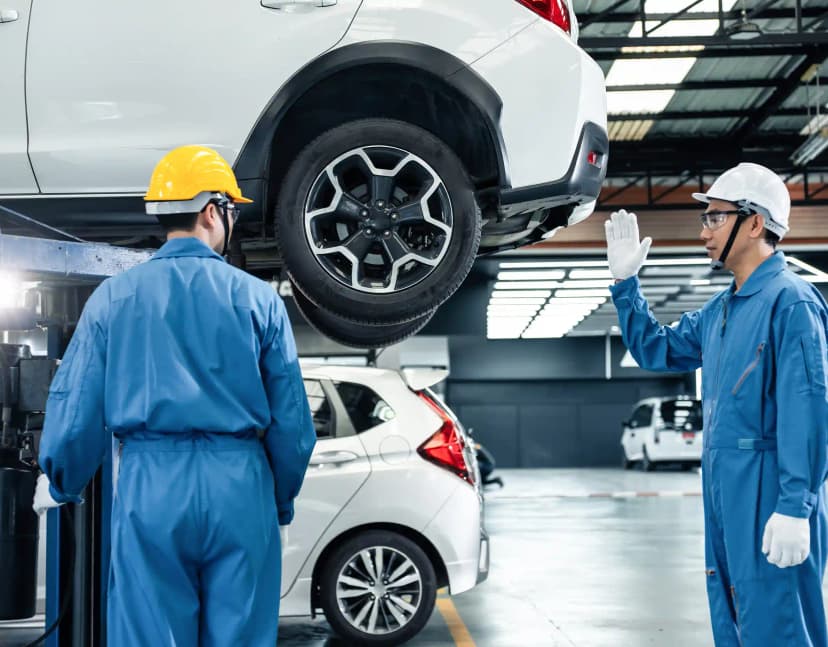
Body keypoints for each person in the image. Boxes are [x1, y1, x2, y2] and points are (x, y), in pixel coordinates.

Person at [33, 145, 316, 646]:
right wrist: (280, 501)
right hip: (240, 486)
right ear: (212, 211)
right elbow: (292, 425)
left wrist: (61, 480)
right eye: (230, 212)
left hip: (151, 486)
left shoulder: (113, 298)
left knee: (149, 633)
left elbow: (77, 407)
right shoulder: (259, 300)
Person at [604, 162, 828, 646]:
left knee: (779, 623)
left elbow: (806, 410)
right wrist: (626, 287)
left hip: (771, 491)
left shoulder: (792, 303)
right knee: (734, 617)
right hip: (725, 486)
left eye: (715, 218)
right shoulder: (722, 309)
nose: (704, 230)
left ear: (754, 223)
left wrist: (796, 505)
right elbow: (656, 348)